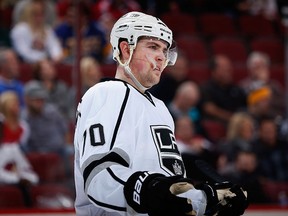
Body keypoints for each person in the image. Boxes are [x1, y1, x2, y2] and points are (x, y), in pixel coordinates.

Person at [74, 11, 248, 216]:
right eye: (152, 46)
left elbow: (168, 189)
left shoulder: (160, 107)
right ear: (125, 49)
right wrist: (151, 192)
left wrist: (207, 199)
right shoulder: (107, 93)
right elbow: (100, 178)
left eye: (164, 50)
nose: (161, 56)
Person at [0, 91, 39, 207]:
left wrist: (23, 178)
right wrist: (16, 179)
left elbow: (28, 172)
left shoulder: (13, 147)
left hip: (14, 159)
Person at [199, 54, 247, 124]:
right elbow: (209, 109)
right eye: (224, 68)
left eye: (229, 67)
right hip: (219, 124)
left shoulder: (236, 89)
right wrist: (232, 118)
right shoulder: (206, 89)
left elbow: (246, 106)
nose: (228, 70)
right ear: (213, 71)